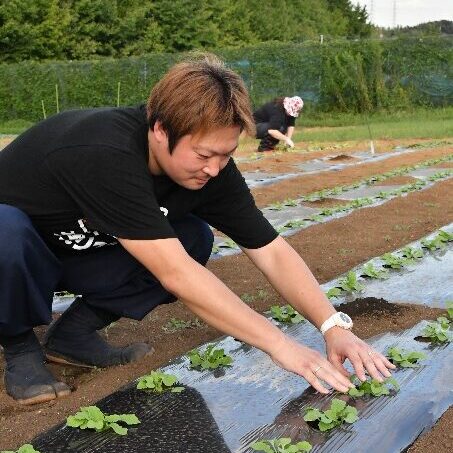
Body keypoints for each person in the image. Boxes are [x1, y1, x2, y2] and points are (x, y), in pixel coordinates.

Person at [0, 54, 394, 406]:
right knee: (7, 229)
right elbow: (176, 274)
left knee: (193, 238)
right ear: (159, 130)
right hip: (16, 259)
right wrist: (281, 346)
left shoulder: (214, 171)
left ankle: (72, 336)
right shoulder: (104, 153)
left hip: (72, 253)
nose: (214, 168)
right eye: (204, 154)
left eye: (226, 154)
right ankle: (19, 346)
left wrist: (332, 326)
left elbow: (270, 249)